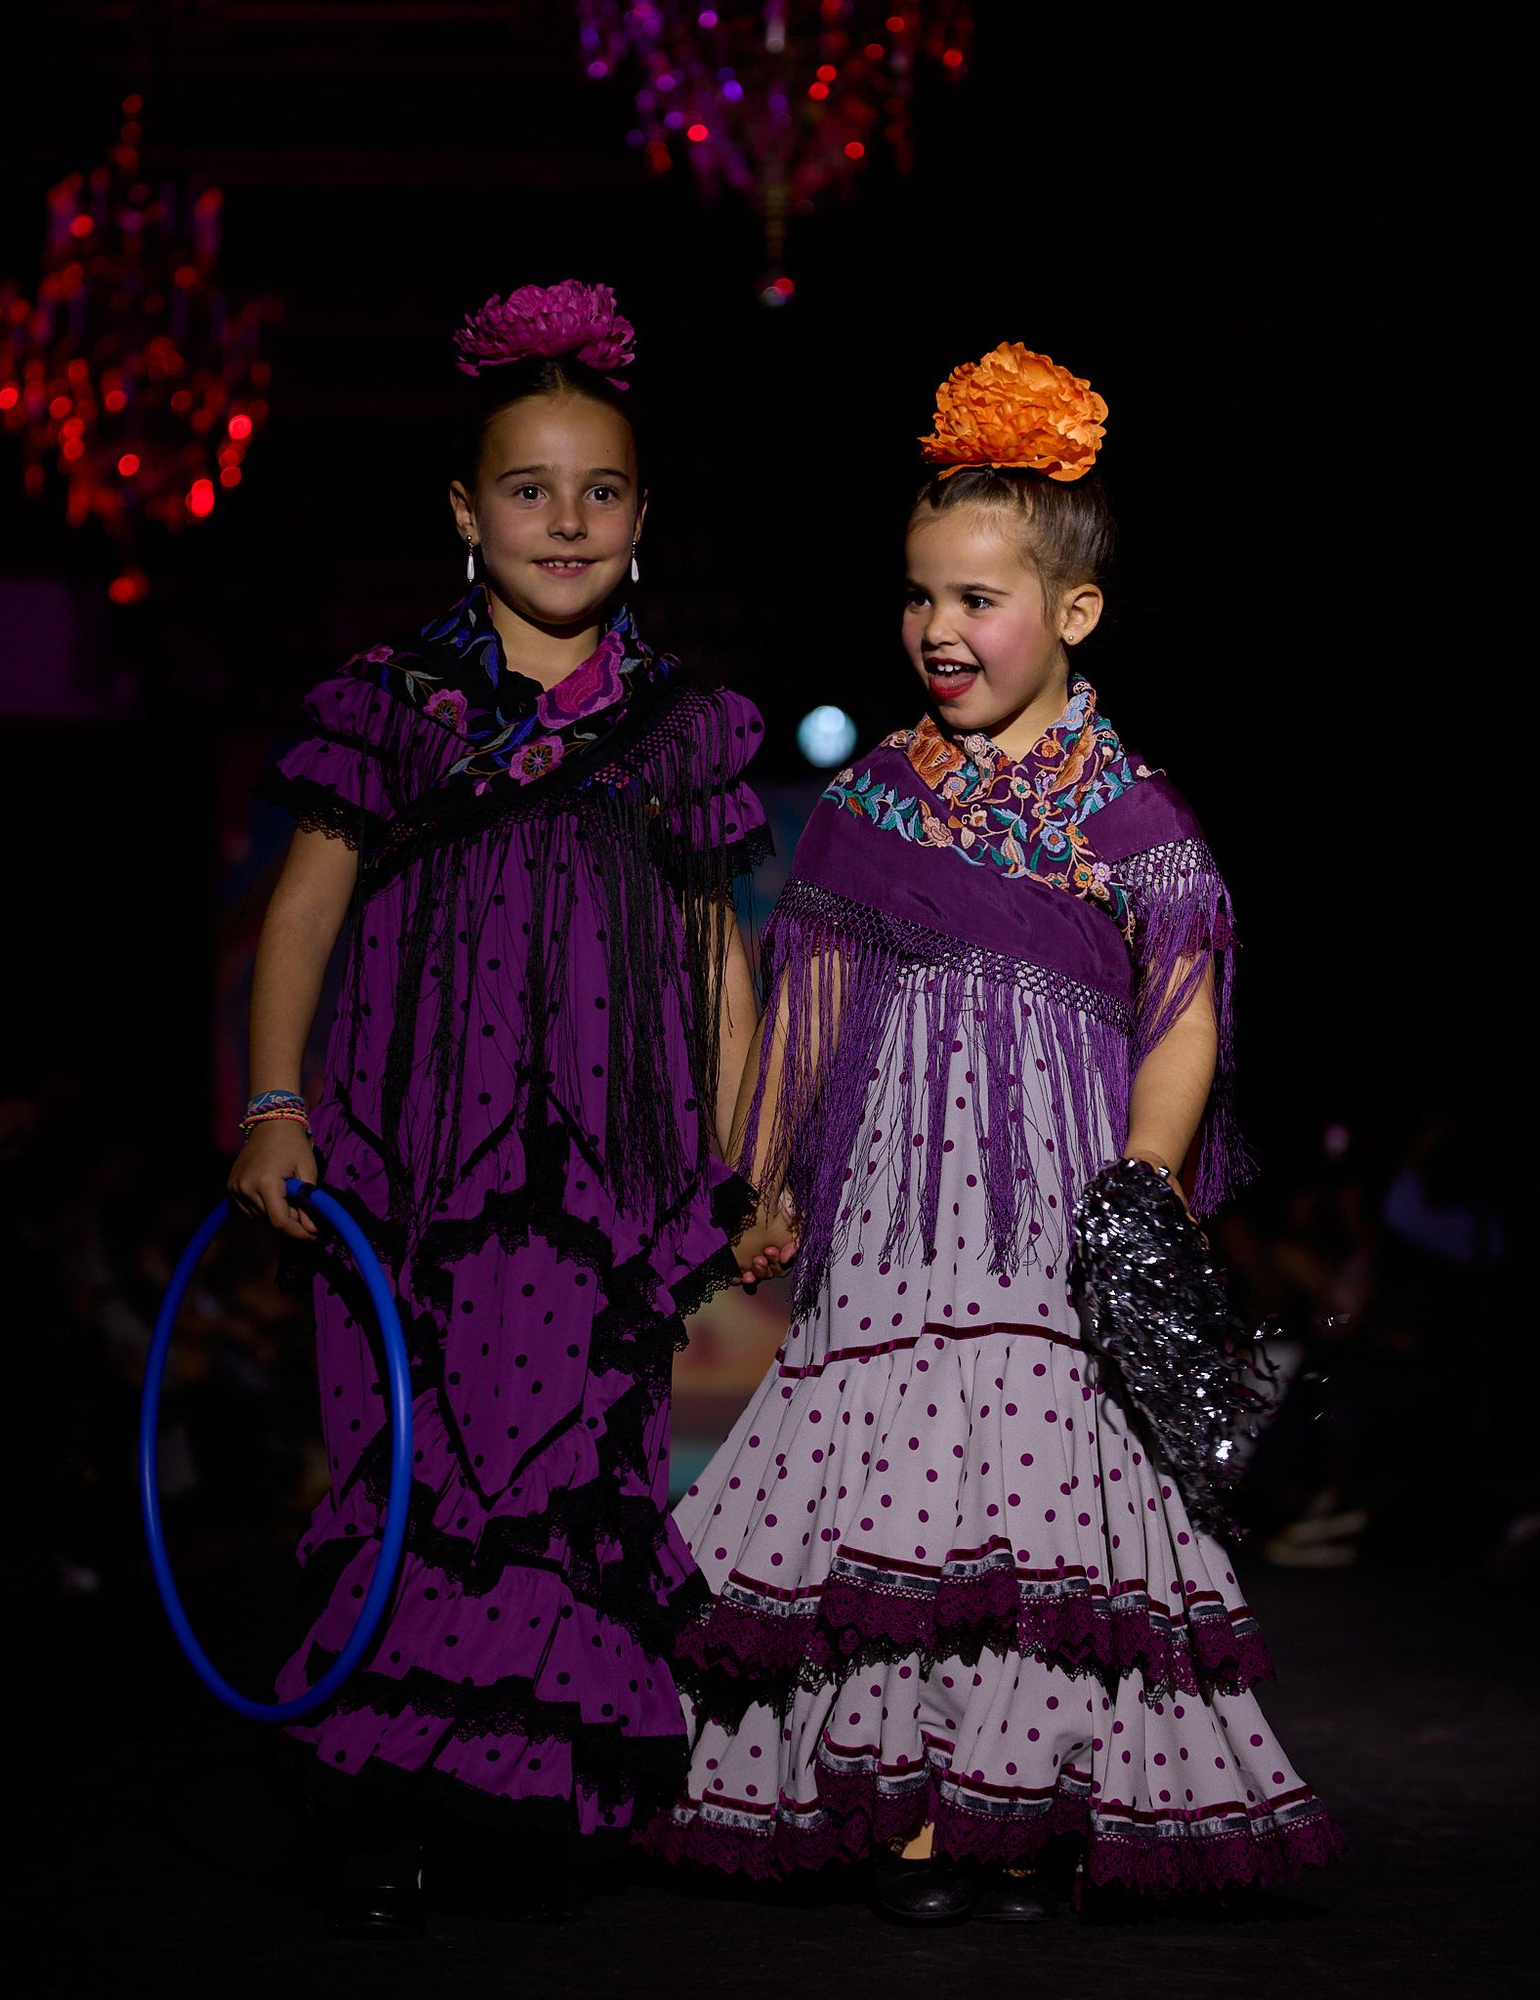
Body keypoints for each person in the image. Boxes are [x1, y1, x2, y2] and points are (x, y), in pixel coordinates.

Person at [645, 341, 1342, 1919]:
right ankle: (907, 1815)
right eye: (919, 598)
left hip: (1053, 1216)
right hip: (900, 1216)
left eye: (978, 601)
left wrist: (1145, 1186)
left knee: (1031, 1507)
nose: (938, 631)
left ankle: (1022, 1812)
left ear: (1074, 614)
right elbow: (809, 1004)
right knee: (904, 1501)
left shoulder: (1135, 813)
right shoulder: (868, 802)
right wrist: (765, 1180)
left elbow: (1185, 1012)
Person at [228, 281, 784, 1931]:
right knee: (414, 1462)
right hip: (412, 1158)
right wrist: (273, 1105)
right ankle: (389, 1790)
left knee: (567, 1474)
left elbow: (718, 959)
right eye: (530, 489)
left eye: (599, 490)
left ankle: (525, 1798)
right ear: (467, 513)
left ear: (639, 514)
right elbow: (304, 911)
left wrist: (744, 1159)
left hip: (604, 1171)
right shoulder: (396, 700)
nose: (566, 519)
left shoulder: (679, 726)